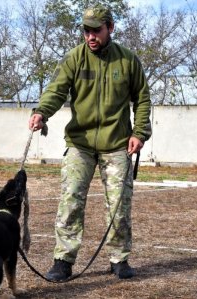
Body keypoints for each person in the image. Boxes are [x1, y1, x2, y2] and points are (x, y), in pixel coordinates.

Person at [28, 4, 151, 281]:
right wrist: (41, 112)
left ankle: (119, 259)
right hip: (80, 143)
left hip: (117, 143)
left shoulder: (128, 61)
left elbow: (142, 99)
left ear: (111, 28)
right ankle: (63, 260)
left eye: (96, 30)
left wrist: (139, 132)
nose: (90, 36)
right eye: (86, 31)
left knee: (119, 205)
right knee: (71, 199)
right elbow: (56, 90)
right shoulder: (74, 59)